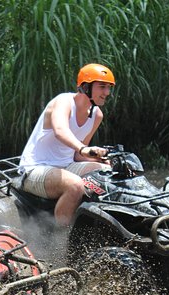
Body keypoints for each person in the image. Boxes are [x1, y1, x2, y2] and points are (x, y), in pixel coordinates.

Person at [18, 63, 115, 226]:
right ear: (86, 87)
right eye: (102, 87)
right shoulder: (63, 101)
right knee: (75, 185)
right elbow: (60, 130)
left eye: (109, 87)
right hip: (36, 168)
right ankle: (62, 241)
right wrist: (84, 149)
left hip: (67, 165)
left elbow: (78, 155)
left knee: (106, 173)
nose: (107, 92)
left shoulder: (97, 115)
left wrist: (99, 159)